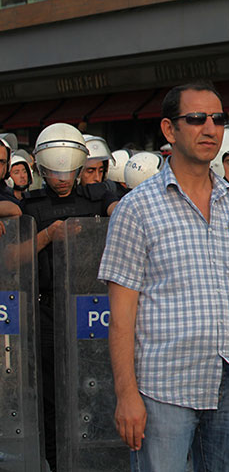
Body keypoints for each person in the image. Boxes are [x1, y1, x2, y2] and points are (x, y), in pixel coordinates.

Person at [98, 82, 229, 470]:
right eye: (196, 119)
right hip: (162, 388)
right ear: (169, 129)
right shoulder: (137, 209)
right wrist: (126, 394)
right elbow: (122, 316)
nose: (210, 129)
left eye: (218, 119)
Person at [20, 122, 118, 470]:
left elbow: (118, 215)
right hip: (47, 312)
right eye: (53, 171)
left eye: (68, 170)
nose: (61, 178)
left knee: (97, 389)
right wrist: (48, 235)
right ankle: (58, 461)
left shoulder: (99, 195)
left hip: (92, 309)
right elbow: (11, 257)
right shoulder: (29, 206)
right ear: (41, 168)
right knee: (52, 398)